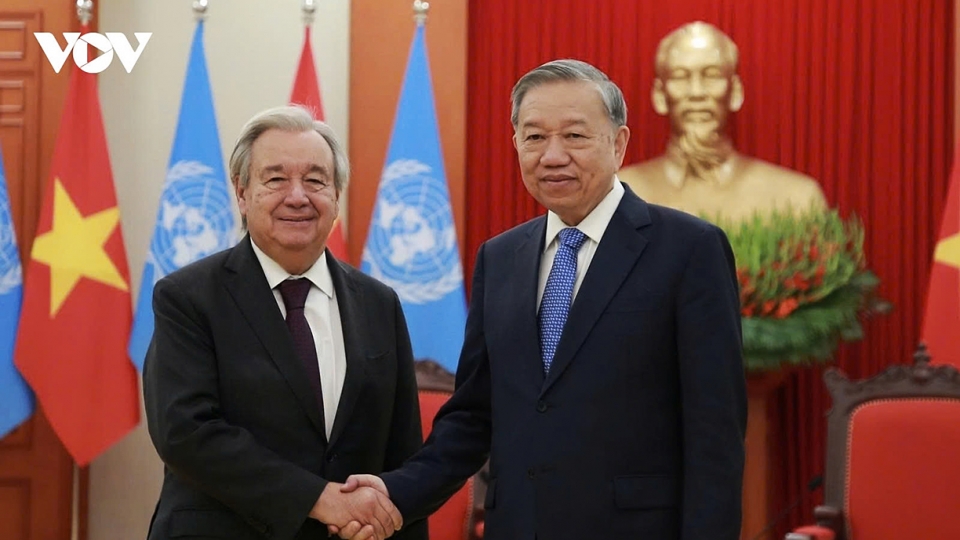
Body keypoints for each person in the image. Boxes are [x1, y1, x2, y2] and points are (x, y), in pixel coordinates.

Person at [333, 59, 747, 539]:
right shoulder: (501, 257)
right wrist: (394, 494)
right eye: (534, 137)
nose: (552, 156)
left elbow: (714, 435)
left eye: (574, 136)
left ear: (618, 143)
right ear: (516, 145)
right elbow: (473, 417)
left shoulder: (688, 249)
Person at [143, 105, 426, 540]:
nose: (298, 196)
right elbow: (187, 433)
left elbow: (402, 452)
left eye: (316, 180)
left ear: (336, 196)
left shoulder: (378, 303)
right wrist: (319, 499)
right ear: (241, 192)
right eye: (275, 179)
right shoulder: (187, 297)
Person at [618, 21, 827, 223]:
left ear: (735, 91)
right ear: (660, 95)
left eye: (712, 75)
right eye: (680, 77)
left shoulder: (796, 199)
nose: (697, 92)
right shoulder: (616, 197)